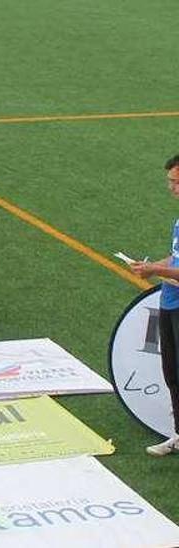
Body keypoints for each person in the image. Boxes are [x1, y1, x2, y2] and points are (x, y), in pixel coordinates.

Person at [133, 157, 179, 456]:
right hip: (169, 302)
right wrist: (151, 266)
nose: (172, 188)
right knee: (172, 372)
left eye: (176, 181)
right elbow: (174, 260)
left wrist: (156, 272)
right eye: (170, 182)